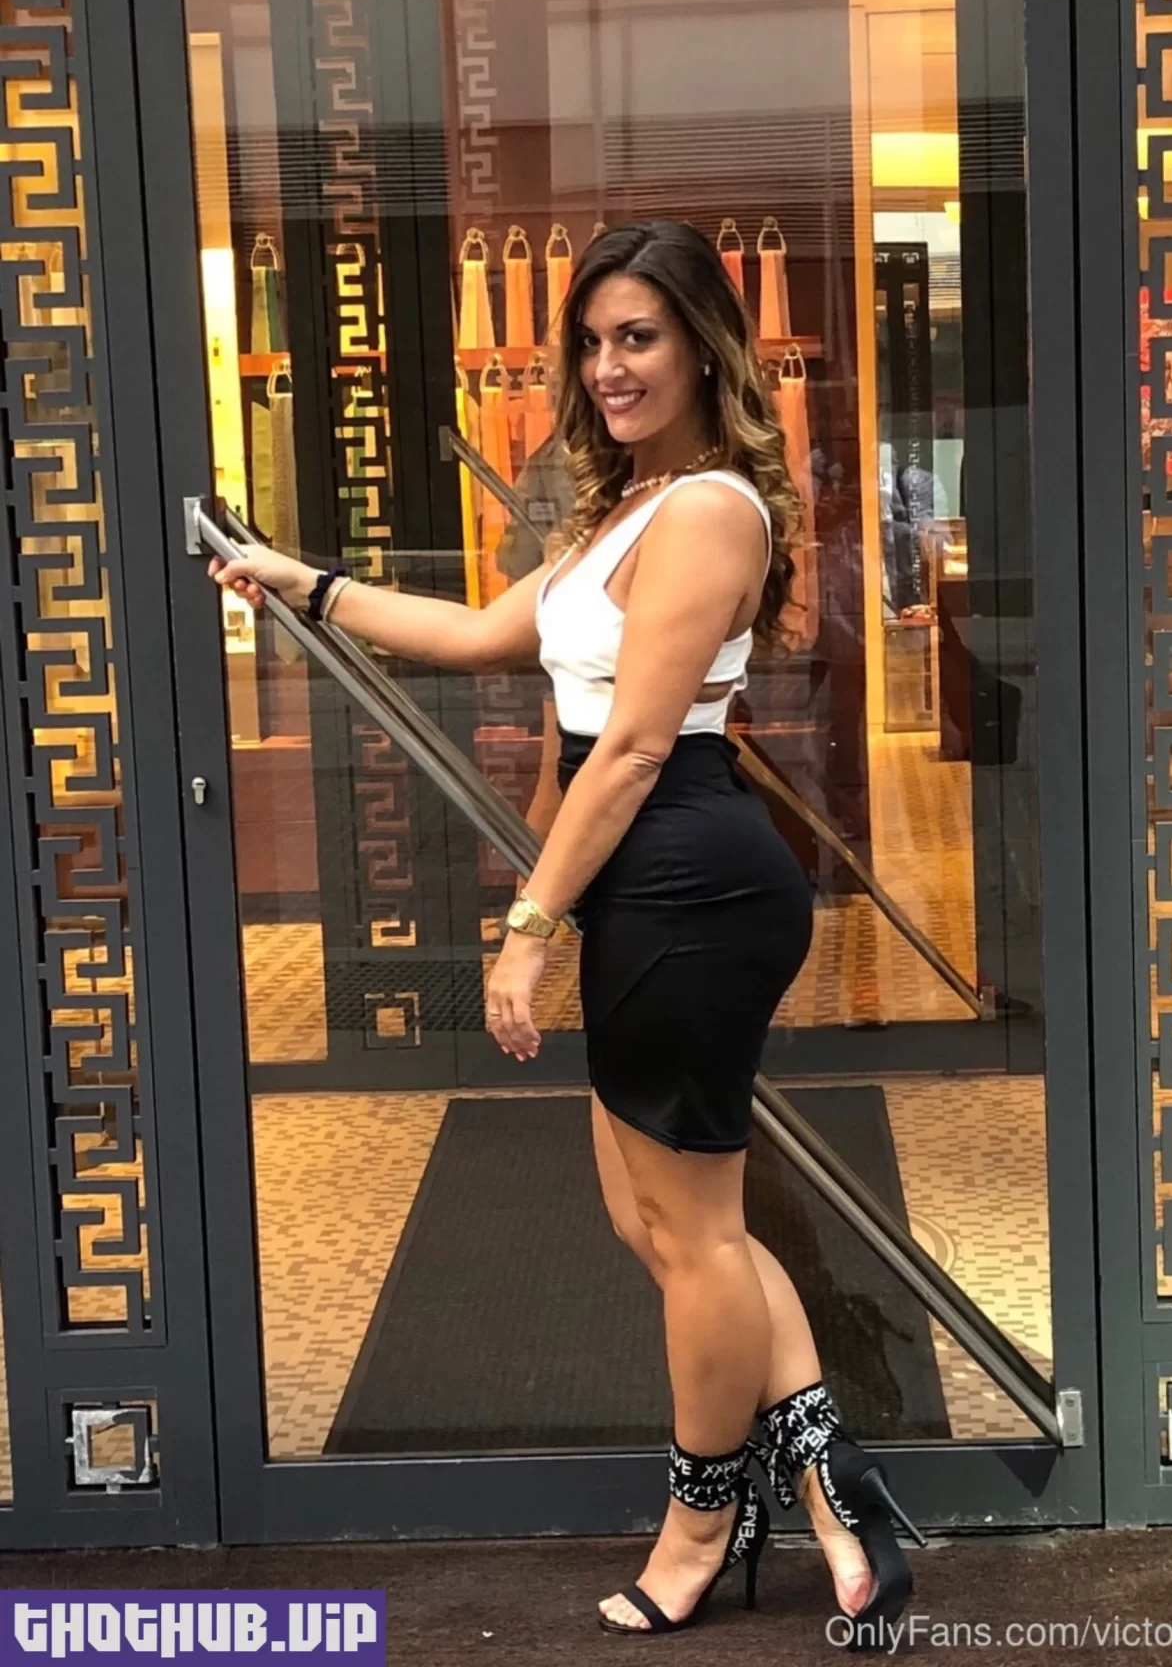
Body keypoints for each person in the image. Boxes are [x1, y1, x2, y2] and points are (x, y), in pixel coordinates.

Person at [210, 217, 913, 1640]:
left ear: (702, 347)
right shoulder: (630, 509)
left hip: (688, 878)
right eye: (591, 342)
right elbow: (481, 634)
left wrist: (528, 924)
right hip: (649, 882)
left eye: (636, 337)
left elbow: (637, 746)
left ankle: (701, 1524)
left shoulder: (709, 510)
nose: (607, 367)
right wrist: (302, 583)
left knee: (692, 1234)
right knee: (665, 1225)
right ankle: (834, 1486)